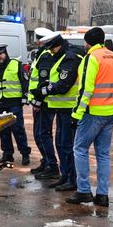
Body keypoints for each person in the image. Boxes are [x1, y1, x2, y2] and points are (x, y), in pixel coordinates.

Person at [66, 28, 113, 207]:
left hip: (93, 113)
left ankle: (83, 191)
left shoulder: (91, 58)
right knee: (103, 155)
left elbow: (86, 89)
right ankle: (102, 195)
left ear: (88, 42)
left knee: (80, 149)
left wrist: (76, 113)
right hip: (111, 112)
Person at [33, 33, 82, 191]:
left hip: (69, 109)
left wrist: (44, 91)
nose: (51, 52)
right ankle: (65, 176)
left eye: (52, 48)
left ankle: (72, 179)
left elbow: (63, 85)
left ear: (59, 45)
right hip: (61, 108)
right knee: (60, 143)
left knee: (67, 145)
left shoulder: (70, 57)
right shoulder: (62, 56)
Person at [0, 43, 30, 166]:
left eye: (0, 54)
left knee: (18, 130)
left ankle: (24, 154)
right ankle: (7, 154)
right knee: (3, 130)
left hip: (14, 103)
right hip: (0, 104)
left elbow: (24, 82)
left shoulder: (16, 64)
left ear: (6, 54)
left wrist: (25, 97)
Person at [27, 28, 58, 176]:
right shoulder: (42, 54)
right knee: (41, 133)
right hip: (41, 101)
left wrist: (38, 102)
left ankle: (51, 165)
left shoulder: (45, 56)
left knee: (42, 134)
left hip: (42, 102)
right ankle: (46, 162)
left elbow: (43, 81)